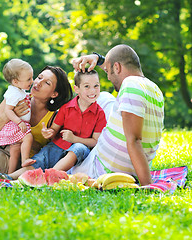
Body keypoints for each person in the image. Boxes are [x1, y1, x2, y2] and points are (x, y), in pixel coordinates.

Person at [70, 44, 164, 186]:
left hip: (100, 169)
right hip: (127, 166)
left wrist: (147, 186)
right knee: (105, 97)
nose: (107, 77)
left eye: (108, 71)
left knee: (100, 98)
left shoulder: (130, 85)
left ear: (117, 67)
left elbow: (134, 140)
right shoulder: (153, 88)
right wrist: (98, 59)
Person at [6, 69, 107, 180]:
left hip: (79, 150)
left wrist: (74, 138)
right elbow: (54, 129)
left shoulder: (100, 114)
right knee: (40, 159)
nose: (92, 91)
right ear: (76, 89)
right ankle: (8, 177)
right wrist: (49, 132)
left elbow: (95, 141)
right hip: (58, 145)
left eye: (96, 86)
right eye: (87, 86)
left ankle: (48, 177)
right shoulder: (66, 108)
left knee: (78, 148)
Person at [0, 59, 34, 173]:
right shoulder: (14, 94)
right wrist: (19, 122)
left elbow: (21, 97)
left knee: (14, 152)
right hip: (15, 125)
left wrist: (28, 96)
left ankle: (9, 175)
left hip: (16, 125)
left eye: (32, 77)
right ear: (16, 82)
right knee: (28, 137)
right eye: (28, 79)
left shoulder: (18, 90)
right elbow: (8, 111)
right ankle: (25, 159)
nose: (32, 81)